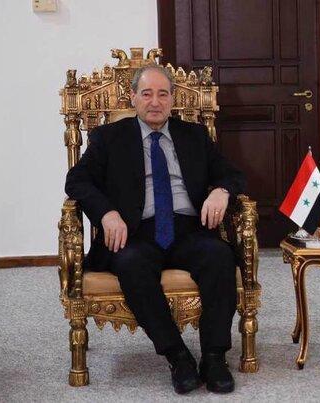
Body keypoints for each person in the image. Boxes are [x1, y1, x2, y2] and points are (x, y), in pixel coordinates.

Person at [65, 65, 245, 395]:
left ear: (173, 99)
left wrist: (221, 191)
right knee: (131, 263)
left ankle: (214, 357)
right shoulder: (109, 138)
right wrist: (106, 214)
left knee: (219, 256)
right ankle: (178, 357)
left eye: (163, 94)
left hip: (188, 229)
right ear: (133, 98)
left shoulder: (194, 136)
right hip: (134, 231)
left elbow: (232, 174)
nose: (155, 102)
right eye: (146, 94)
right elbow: (76, 181)